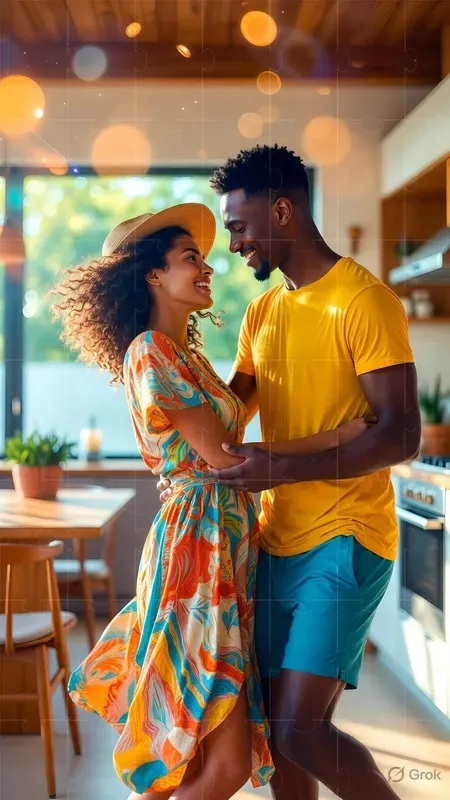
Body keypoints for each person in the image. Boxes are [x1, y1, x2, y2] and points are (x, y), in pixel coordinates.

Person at [50, 203, 369, 800]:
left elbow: (232, 427)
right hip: (195, 556)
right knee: (216, 757)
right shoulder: (150, 351)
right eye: (190, 258)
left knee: (201, 754)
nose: (207, 268)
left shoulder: (189, 358)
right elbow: (224, 460)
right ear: (153, 275)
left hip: (221, 550)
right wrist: (341, 436)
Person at [158, 145, 422, 800]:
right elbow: (228, 418)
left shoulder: (365, 300)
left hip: (348, 536)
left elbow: (402, 433)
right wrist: (166, 390)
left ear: (282, 210)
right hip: (275, 543)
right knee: (278, 736)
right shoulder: (263, 312)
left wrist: (284, 467)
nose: (235, 246)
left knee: (301, 728)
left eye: (241, 227)